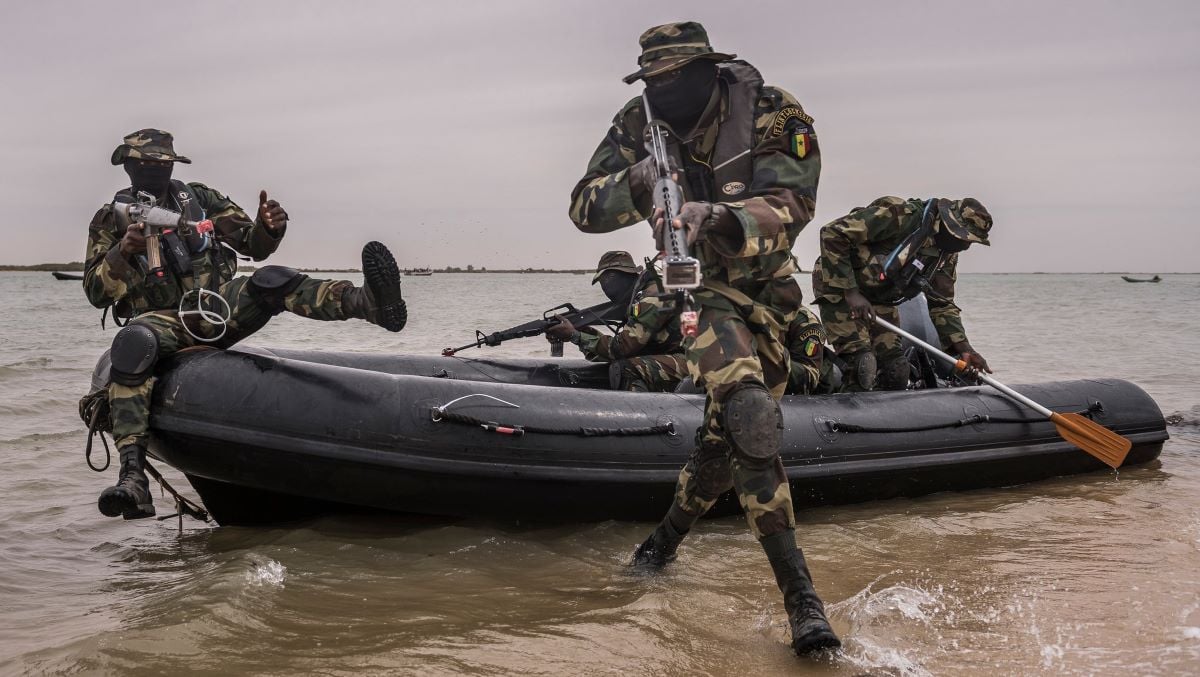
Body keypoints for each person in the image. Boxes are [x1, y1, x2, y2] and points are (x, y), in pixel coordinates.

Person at [568, 22, 840, 655]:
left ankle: (662, 543)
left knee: (721, 449)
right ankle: (802, 601)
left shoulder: (772, 111)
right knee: (750, 413)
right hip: (697, 291)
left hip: (768, 292)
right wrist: (640, 179)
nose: (662, 90)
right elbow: (583, 207)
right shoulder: (636, 124)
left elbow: (794, 204)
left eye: (675, 78)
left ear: (710, 71)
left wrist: (718, 215)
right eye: (652, 80)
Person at [84, 129, 408, 520]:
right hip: (163, 320)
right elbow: (96, 292)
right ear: (130, 166)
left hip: (217, 307)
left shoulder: (199, 200)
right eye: (148, 164)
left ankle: (370, 304)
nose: (156, 170)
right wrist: (123, 251)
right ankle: (133, 478)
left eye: (163, 163)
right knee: (134, 343)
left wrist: (269, 227)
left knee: (272, 280)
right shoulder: (111, 219)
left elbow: (253, 245)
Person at [812, 196, 993, 391]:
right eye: (965, 238)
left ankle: (881, 406)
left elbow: (942, 305)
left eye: (971, 241)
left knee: (896, 370)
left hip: (881, 297)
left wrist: (965, 348)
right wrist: (851, 292)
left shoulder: (945, 256)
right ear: (950, 225)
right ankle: (844, 398)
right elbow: (833, 233)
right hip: (841, 287)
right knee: (861, 366)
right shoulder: (899, 216)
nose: (966, 246)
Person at [546, 251, 688, 392]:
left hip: (692, 361)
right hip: (678, 357)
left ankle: (640, 407)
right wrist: (581, 332)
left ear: (613, 277)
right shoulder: (642, 294)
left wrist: (575, 335)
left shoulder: (652, 297)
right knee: (619, 365)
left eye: (604, 281)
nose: (604, 288)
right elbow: (620, 349)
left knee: (626, 369)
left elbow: (622, 348)